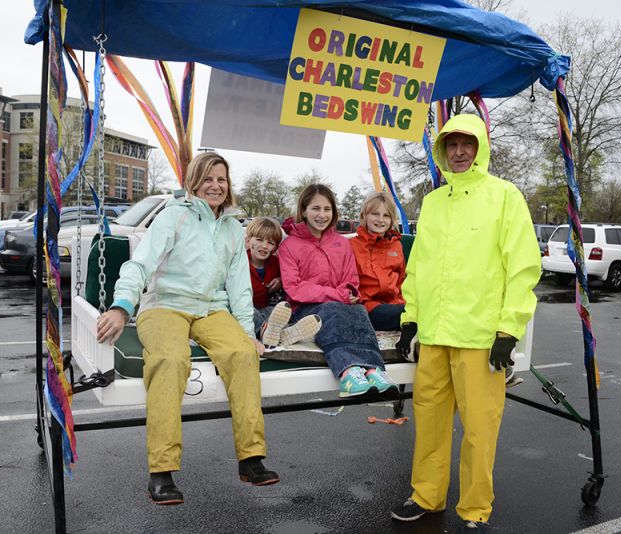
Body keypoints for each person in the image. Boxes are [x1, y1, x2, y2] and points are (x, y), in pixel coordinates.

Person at [96, 152, 279, 506]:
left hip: (211, 309)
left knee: (241, 354)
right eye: (208, 178)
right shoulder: (173, 217)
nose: (215, 185)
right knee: (170, 358)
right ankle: (161, 472)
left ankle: (251, 459)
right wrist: (121, 307)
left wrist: (247, 333)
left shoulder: (232, 228)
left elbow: (239, 286)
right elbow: (140, 264)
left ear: (229, 186)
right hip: (166, 305)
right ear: (194, 182)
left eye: (221, 179)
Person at [390, 114, 541, 530]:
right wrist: (410, 318)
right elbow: (418, 267)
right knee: (430, 422)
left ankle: (474, 508)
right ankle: (427, 495)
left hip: (479, 337)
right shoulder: (434, 202)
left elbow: (523, 268)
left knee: (479, 429)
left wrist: (509, 331)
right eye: (451, 145)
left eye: (467, 144)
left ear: (480, 149)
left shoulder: (505, 196)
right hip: (435, 335)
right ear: (441, 150)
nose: (459, 152)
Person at [277, 184, 398, 398]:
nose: (322, 215)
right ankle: (348, 370)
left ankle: (374, 369)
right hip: (306, 308)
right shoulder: (290, 246)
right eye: (315, 208)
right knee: (335, 309)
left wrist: (347, 294)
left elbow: (350, 281)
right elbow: (294, 289)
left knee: (359, 310)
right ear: (303, 210)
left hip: (340, 302)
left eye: (327, 209)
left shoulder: (341, 244)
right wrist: (337, 294)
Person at [245, 216, 321, 348]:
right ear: (247, 241)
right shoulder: (240, 261)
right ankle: (271, 333)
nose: (264, 246)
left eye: (270, 243)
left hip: (267, 308)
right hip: (247, 307)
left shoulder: (277, 263)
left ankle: (282, 332)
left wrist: (281, 279)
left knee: (278, 311)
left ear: (275, 248)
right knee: (248, 312)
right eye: (259, 240)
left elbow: (290, 277)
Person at [349, 191, 406, 331]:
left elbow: (402, 279)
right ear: (364, 215)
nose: (380, 220)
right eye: (375, 214)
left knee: (422, 311)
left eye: (386, 215)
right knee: (405, 315)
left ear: (392, 220)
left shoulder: (396, 245)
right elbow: (345, 279)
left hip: (395, 303)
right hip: (368, 305)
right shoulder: (352, 245)